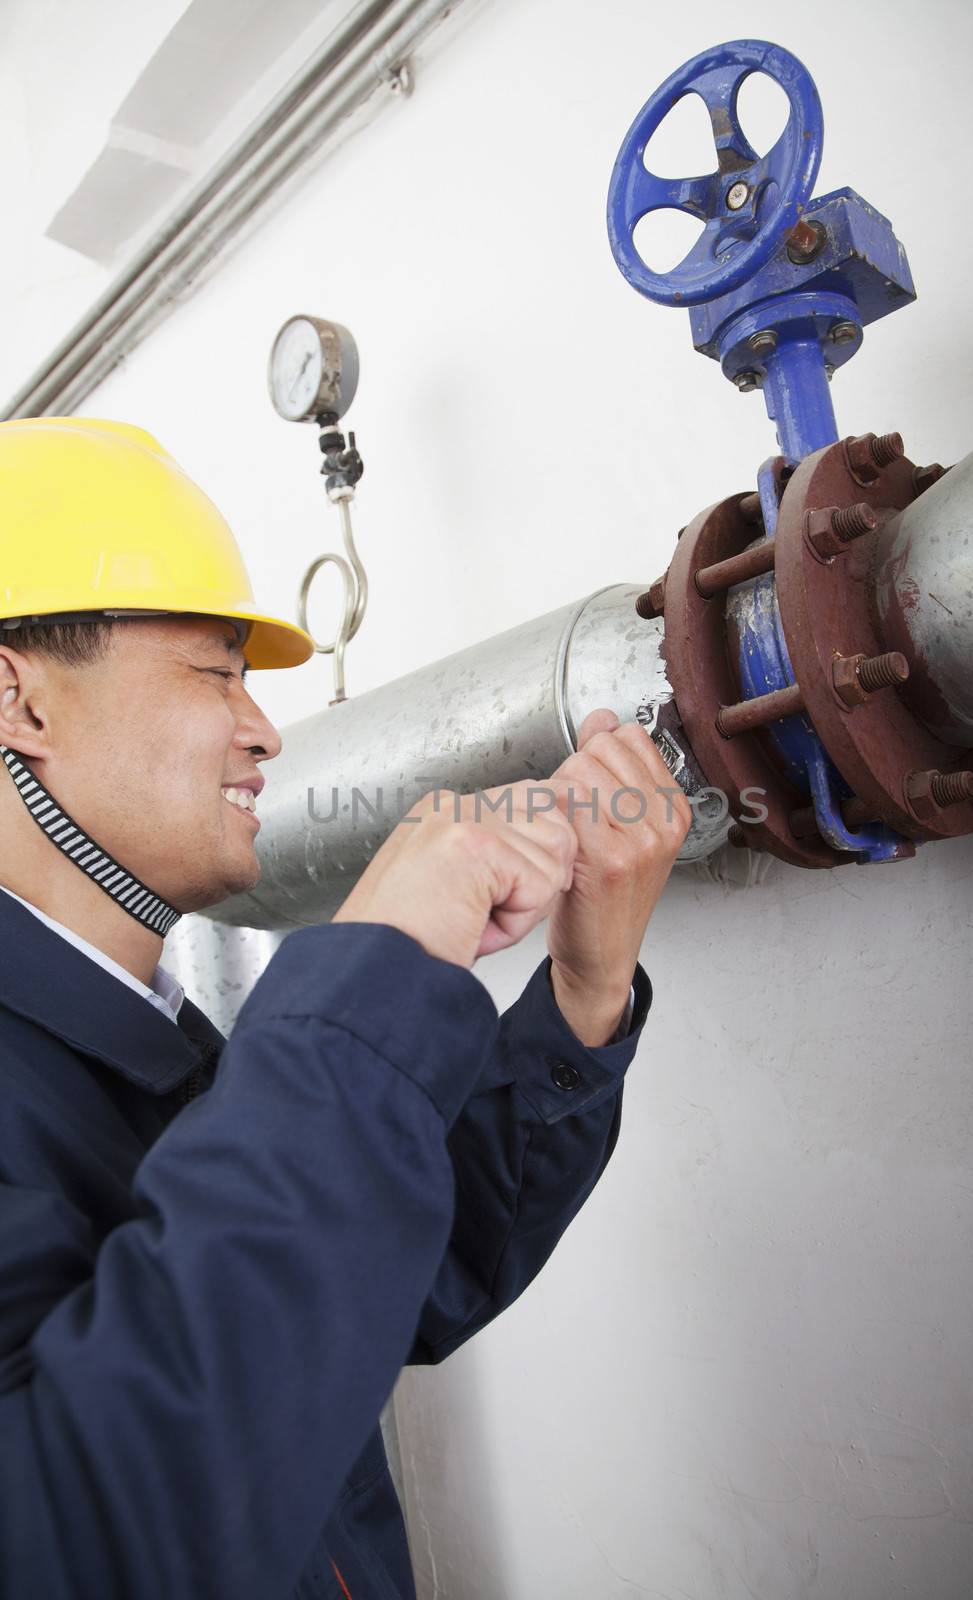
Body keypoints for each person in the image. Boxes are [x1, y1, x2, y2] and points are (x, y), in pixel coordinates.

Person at [0, 417, 690, 1598]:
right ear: (21, 702)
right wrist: (376, 963)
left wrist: (582, 991)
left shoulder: (143, 1032)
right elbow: (96, 1534)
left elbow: (380, 1288)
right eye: (217, 669)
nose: (265, 729)